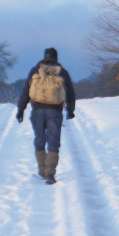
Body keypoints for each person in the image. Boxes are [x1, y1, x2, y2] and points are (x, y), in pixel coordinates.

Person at [16, 47, 76, 184]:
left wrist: (21, 109)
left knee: (39, 140)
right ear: (56, 57)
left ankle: (42, 170)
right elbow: (70, 92)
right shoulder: (62, 71)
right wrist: (70, 110)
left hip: (37, 110)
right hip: (55, 111)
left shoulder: (36, 70)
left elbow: (26, 90)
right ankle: (50, 173)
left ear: (44, 56)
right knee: (54, 141)